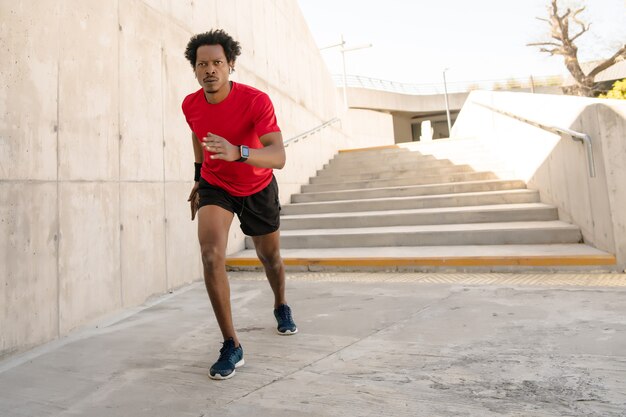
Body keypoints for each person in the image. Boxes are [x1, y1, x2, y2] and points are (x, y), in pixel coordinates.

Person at [182, 29, 297, 380]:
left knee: (270, 258)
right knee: (211, 254)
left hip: (258, 185)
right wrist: (200, 178)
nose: (210, 70)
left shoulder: (255, 101)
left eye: (217, 62)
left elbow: (278, 156)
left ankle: (280, 303)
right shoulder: (190, 103)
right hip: (218, 187)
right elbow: (197, 135)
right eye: (203, 64)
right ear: (195, 69)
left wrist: (238, 152)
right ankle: (231, 344)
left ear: (230, 65)